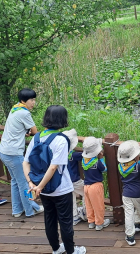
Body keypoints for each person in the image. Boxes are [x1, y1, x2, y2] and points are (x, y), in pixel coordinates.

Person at [24, 105, 86, 254]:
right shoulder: (61, 140)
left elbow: (25, 162)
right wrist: (39, 187)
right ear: (63, 120)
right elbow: (53, 168)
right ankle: (71, 251)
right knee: (65, 222)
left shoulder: (36, 137)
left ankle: (56, 249)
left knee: (49, 219)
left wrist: (33, 184)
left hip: (43, 188)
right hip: (61, 189)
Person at [0, 88, 43, 218]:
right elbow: (35, 132)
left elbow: (18, 128)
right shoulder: (24, 113)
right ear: (23, 101)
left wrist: (25, 132)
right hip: (14, 153)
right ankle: (30, 210)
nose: (33, 102)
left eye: (34, 99)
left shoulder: (15, 109)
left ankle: (17, 210)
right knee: (23, 182)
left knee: (15, 181)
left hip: (4, 151)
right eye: (31, 100)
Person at [117, 140, 140, 246]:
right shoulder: (137, 166)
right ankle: (137, 223)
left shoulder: (120, 166)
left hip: (126, 194)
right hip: (138, 193)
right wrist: (138, 161)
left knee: (128, 214)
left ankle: (130, 236)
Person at [81, 136, 110, 230]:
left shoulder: (84, 160)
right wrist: (101, 158)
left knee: (89, 205)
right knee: (98, 205)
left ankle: (91, 222)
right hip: (95, 186)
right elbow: (105, 169)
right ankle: (99, 223)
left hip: (86, 186)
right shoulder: (97, 162)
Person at [64, 129, 87, 226]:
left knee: (71, 196)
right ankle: (86, 212)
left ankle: (74, 216)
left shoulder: (61, 154)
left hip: (65, 180)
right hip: (75, 180)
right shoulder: (73, 155)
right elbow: (85, 155)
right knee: (87, 192)